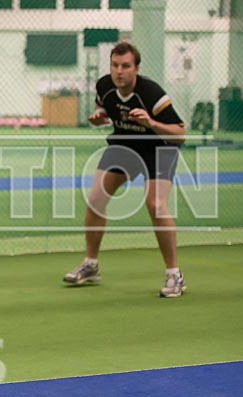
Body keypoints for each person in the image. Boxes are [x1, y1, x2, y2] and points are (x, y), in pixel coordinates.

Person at [63, 42, 186, 297]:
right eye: (115, 65)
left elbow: (180, 134)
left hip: (158, 148)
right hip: (124, 144)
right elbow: (103, 107)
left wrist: (151, 123)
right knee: (95, 199)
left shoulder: (152, 94)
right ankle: (91, 265)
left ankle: (175, 275)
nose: (119, 71)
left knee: (156, 206)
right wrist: (100, 116)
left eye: (126, 66)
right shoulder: (104, 86)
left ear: (136, 69)